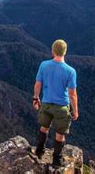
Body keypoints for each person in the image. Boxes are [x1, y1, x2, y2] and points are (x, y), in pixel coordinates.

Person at [32, 39, 78, 168]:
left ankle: (39, 151)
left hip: (46, 104)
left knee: (43, 128)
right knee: (59, 134)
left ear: (53, 51)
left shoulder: (44, 65)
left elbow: (38, 84)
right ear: (65, 52)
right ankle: (57, 161)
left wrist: (35, 98)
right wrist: (75, 110)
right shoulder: (70, 71)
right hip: (62, 107)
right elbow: (72, 95)